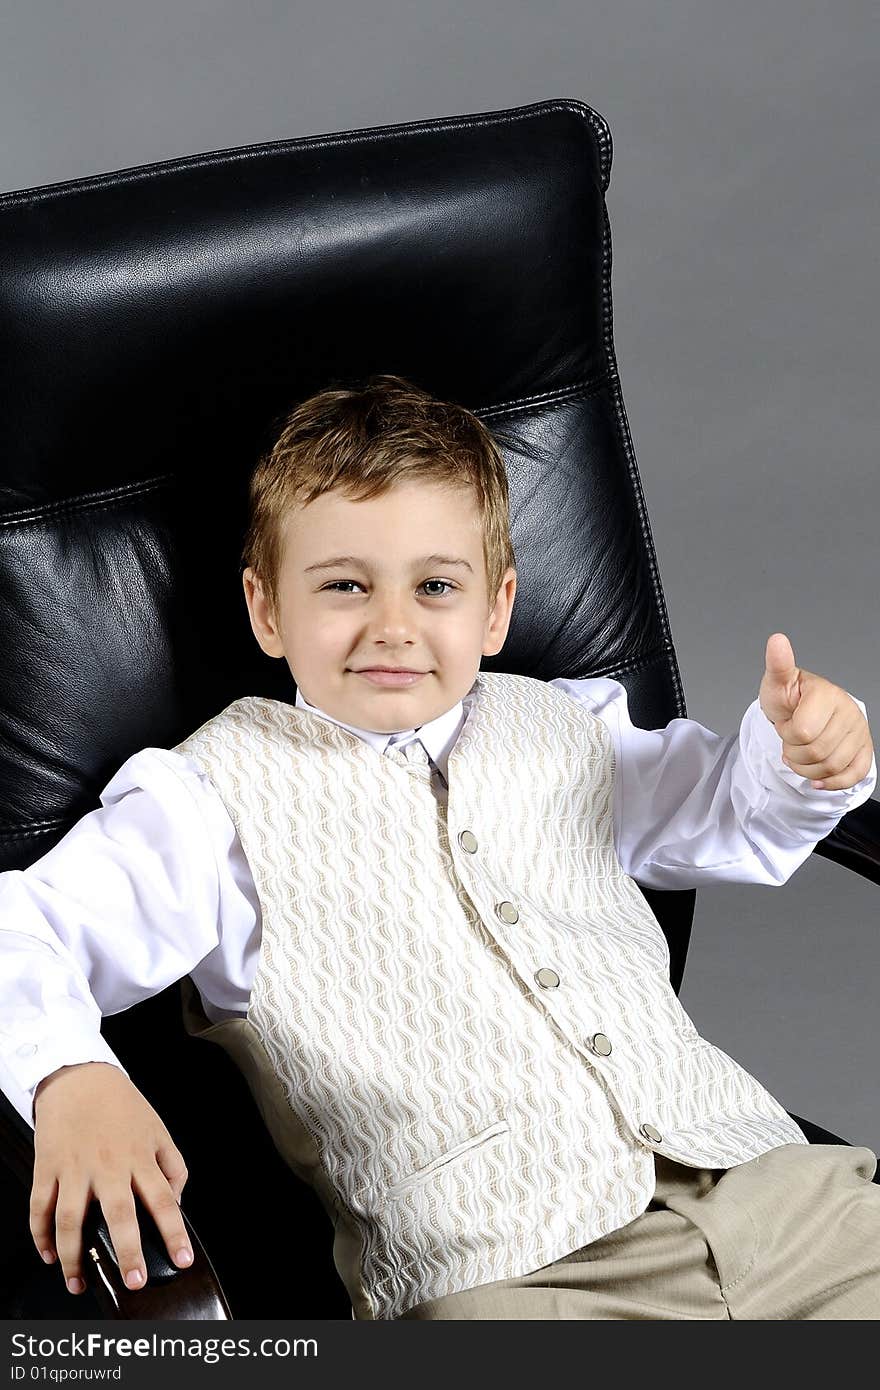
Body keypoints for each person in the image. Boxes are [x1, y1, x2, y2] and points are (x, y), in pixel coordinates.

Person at [0, 374, 877, 1320]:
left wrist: (803, 759)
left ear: (495, 609)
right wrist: (69, 1075)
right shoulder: (207, 803)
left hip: (777, 1201)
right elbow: (21, 927)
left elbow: (728, 812)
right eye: (343, 585)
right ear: (265, 609)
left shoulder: (566, 724)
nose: (393, 625)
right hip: (508, 1277)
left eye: (436, 586)